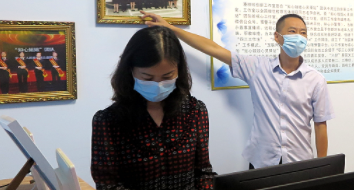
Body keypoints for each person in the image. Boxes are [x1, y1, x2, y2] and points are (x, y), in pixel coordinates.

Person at [142, 11, 334, 169]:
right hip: (262, 161)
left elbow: (320, 125)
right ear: (277, 37)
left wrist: (323, 167)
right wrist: (171, 29)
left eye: (303, 33)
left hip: (301, 162)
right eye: (292, 31)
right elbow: (214, 49)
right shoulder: (258, 68)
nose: (298, 37)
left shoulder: (316, 80)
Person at [92, 26, 216, 190]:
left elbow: (203, 172)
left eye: (167, 76)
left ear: (179, 70)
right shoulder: (109, 120)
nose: (158, 85)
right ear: (131, 71)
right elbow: (109, 188)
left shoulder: (195, 111)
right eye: (148, 78)